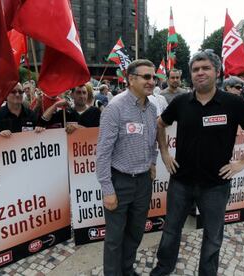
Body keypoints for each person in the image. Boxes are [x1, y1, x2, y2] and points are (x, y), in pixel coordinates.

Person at [151, 50, 244, 276]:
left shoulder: (233, 103)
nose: (200, 73)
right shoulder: (181, 101)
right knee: (171, 230)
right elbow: (159, 124)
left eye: (205, 68)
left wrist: (242, 163)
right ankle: (163, 269)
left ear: (217, 72)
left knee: (213, 236)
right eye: (195, 69)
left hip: (216, 185)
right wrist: (165, 154)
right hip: (181, 182)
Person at [96, 59, 158, 275]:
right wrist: (108, 189)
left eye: (153, 77)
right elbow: (103, 153)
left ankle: (126, 269)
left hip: (143, 183)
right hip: (119, 181)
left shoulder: (151, 109)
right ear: (131, 79)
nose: (152, 81)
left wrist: (152, 163)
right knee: (114, 237)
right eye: (146, 77)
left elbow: (152, 142)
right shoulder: (115, 108)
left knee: (135, 231)